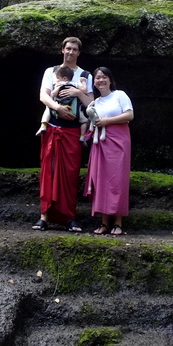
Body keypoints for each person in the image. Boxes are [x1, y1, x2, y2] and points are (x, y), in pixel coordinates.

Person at [33, 37, 92, 233]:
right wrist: (58, 106)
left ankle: (69, 217)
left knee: (70, 174)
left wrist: (77, 94)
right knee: (48, 171)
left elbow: (90, 103)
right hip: (53, 126)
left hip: (73, 130)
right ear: (62, 50)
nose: (70, 52)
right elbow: (43, 96)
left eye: (74, 49)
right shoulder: (51, 72)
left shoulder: (85, 75)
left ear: (79, 53)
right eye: (68, 48)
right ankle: (44, 217)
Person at [75, 67, 133, 236]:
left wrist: (107, 121)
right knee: (101, 182)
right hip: (100, 143)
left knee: (118, 181)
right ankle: (104, 223)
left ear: (110, 79)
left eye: (104, 77)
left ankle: (118, 223)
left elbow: (129, 115)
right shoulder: (96, 103)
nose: (101, 80)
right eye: (97, 78)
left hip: (119, 141)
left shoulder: (120, 95)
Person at [34, 65, 88, 141]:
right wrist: (83, 81)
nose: (56, 80)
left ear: (64, 78)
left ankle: (43, 125)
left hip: (60, 106)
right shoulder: (75, 84)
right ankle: (82, 136)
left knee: (48, 109)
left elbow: (53, 94)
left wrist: (56, 88)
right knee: (84, 121)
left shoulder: (59, 84)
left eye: (57, 78)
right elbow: (84, 90)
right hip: (73, 110)